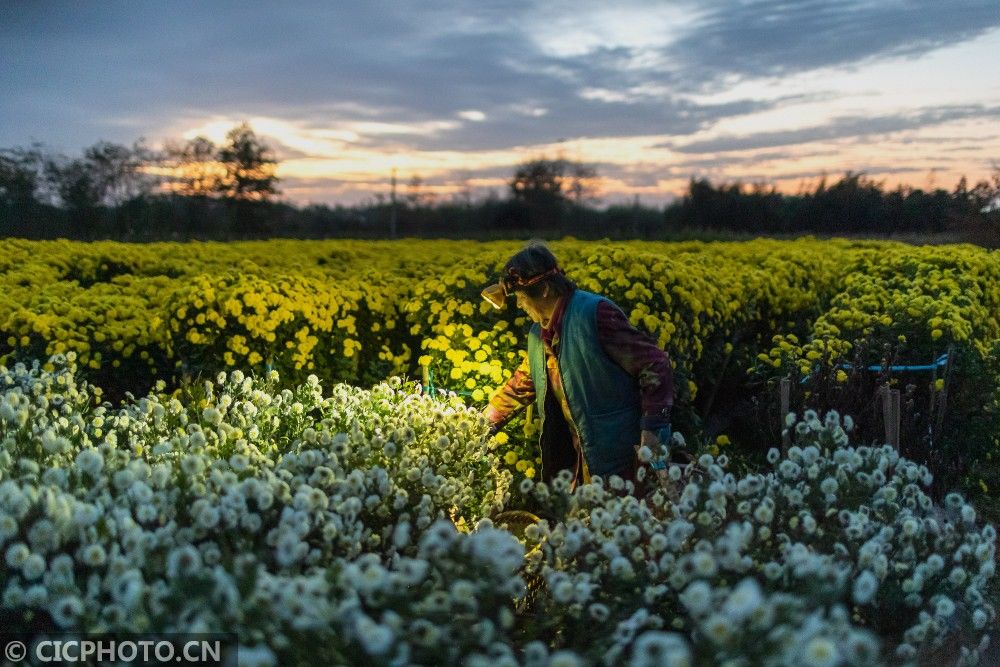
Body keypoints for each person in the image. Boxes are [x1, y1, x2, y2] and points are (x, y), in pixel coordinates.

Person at [480, 242, 675, 492]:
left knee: (626, 524)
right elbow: (522, 384)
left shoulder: (594, 314)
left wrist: (653, 427)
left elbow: (654, 363)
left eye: (520, 297)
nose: (519, 305)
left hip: (619, 454)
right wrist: (482, 424)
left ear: (546, 290)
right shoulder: (540, 334)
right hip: (582, 457)